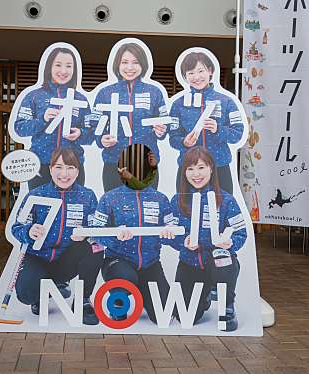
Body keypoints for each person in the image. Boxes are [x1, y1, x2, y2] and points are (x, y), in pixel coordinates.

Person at [11, 148, 103, 325]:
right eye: (59, 167)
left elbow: (96, 228)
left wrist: (85, 233)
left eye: (70, 168)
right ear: (51, 168)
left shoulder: (87, 196)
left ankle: (83, 300)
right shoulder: (35, 194)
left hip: (65, 259)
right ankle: (44, 292)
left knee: (95, 248)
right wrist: (29, 231)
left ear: (77, 170)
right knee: (26, 295)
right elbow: (17, 228)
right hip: (38, 257)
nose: (64, 174)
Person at [169, 146, 247, 331]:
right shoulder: (177, 200)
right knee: (185, 318)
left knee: (223, 258)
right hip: (190, 263)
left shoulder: (227, 200)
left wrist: (230, 243)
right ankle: (204, 296)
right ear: (184, 171)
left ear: (211, 168)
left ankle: (227, 305)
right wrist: (182, 241)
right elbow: (170, 235)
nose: (196, 174)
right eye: (190, 169)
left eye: (201, 167)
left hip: (217, 262)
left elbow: (240, 232)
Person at [92, 164, 176, 324]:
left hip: (150, 264)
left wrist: (168, 234)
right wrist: (115, 235)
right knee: (126, 277)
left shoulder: (161, 199)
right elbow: (95, 231)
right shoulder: (109, 198)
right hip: (118, 261)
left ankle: (145, 292)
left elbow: (172, 232)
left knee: (164, 317)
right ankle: (118, 301)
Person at [92, 41, 168, 192]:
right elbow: (94, 125)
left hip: (146, 163)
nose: (130, 67)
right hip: (114, 163)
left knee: (146, 211)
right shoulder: (105, 93)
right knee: (114, 211)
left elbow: (166, 121)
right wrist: (101, 139)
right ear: (117, 64)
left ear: (143, 65)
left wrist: (162, 130)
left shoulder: (154, 92)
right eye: (125, 62)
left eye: (135, 62)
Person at [14, 46, 92, 189]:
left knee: (72, 209)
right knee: (41, 209)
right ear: (49, 66)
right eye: (58, 65)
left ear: (74, 70)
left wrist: (80, 134)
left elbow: (92, 133)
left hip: (72, 166)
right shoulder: (34, 96)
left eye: (69, 66)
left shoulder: (81, 100)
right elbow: (19, 128)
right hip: (41, 165)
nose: (63, 71)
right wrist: (42, 119)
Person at [169, 51, 245, 193]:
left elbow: (238, 134)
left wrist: (218, 129)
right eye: (190, 73)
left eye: (201, 71)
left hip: (219, 168)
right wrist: (183, 142)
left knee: (222, 210)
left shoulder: (226, 101)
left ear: (210, 71)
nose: (196, 77)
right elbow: (172, 138)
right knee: (186, 211)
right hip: (189, 169)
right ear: (185, 76)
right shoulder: (178, 104)